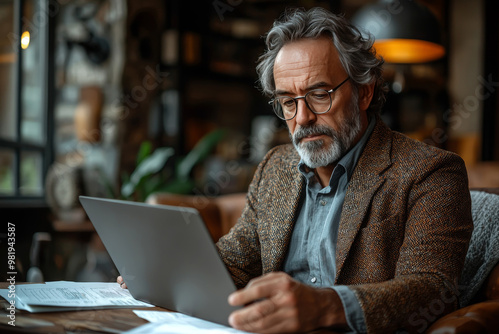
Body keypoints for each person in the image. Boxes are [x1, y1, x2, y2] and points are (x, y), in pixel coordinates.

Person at [119, 7, 473, 333]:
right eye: (289, 101)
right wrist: (167, 273)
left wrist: (326, 305)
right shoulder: (277, 166)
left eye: (320, 95)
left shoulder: (431, 172)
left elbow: (431, 289)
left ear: (364, 93)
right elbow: (237, 259)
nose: (302, 118)